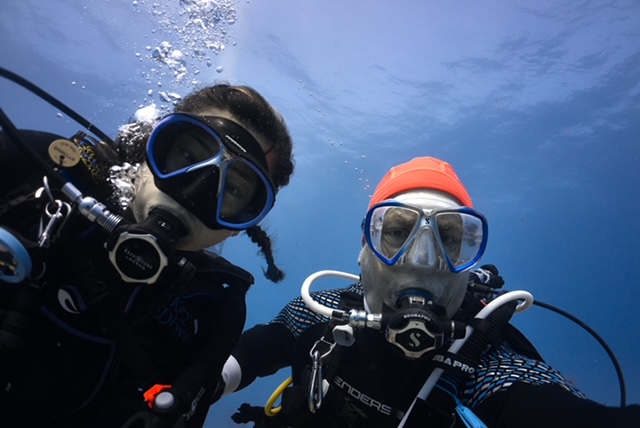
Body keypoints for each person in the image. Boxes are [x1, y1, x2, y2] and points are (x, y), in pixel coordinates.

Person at [215, 156, 640, 428]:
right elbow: (247, 355)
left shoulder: (485, 359)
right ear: (364, 249)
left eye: (450, 238)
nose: (421, 259)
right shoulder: (324, 311)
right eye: (397, 231)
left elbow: (542, 405)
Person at [0, 69, 294, 428]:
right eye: (187, 154)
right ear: (149, 151)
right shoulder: (32, 179)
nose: (193, 191)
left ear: (238, 227)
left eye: (231, 190)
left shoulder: (210, 310)